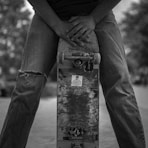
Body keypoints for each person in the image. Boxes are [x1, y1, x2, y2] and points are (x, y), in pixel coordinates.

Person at [0, 0, 146, 147]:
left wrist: (93, 19)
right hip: (48, 14)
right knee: (28, 85)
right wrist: (57, 25)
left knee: (120, 86)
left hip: (98, 12)